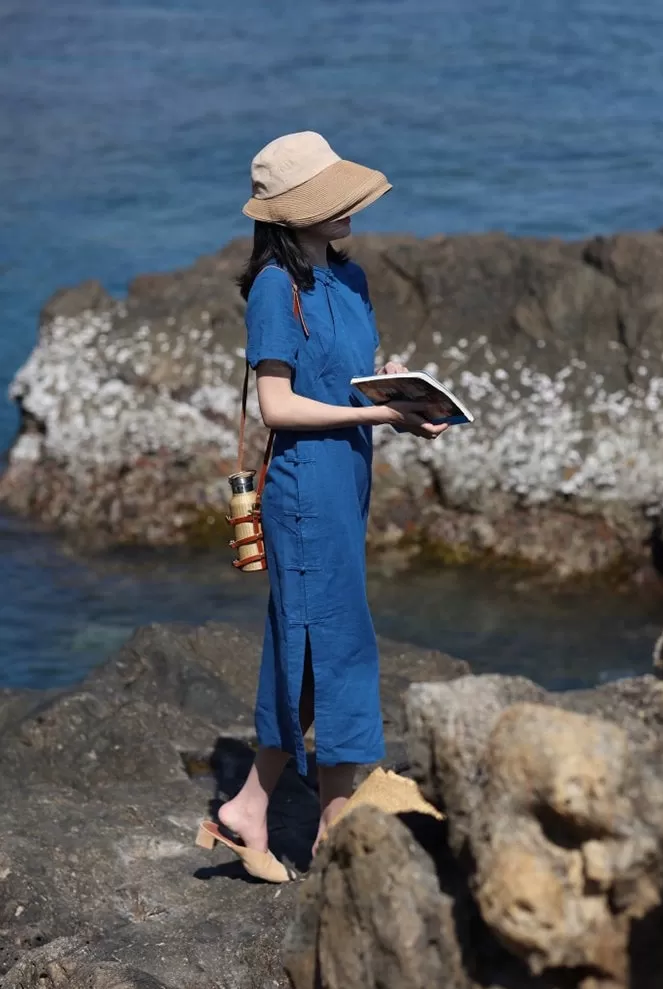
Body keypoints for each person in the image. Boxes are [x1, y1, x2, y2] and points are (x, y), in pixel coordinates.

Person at [197, 132, 448, 882]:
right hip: (305, 491)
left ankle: (248, 806)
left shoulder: (351, 277)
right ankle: (335, 818)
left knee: (314, 648)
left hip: (346, 481)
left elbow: (342, 377)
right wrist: (381, 417)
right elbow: (276, 406)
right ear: (290, 214)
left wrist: (390, 383)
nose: (345, 208)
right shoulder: (277, 289)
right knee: (333, 643)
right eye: (327, 198)